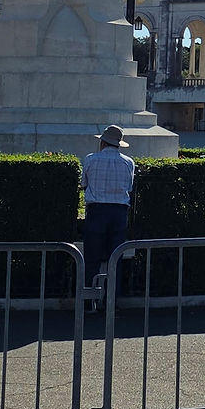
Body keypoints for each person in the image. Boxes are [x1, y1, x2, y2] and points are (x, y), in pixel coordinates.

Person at [81, 124, 136, 298]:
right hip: (119, 213)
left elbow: (84, 184)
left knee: (92, 259)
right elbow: (129, 187)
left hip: (96, 211)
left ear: (103, 143)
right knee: (115, 259)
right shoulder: (129, 163)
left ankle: (90, 300)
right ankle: (112, 301)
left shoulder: (90, 159)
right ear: (118, 144)